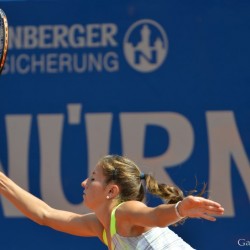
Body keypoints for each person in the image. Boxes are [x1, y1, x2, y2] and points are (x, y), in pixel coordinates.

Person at [0, 154, 224, 250]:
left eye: (93, 178)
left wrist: (179, 208)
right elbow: (45, 215)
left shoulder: (125, 211)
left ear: (111, 191)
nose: (83, 183)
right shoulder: (103, 228)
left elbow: (156, 216)